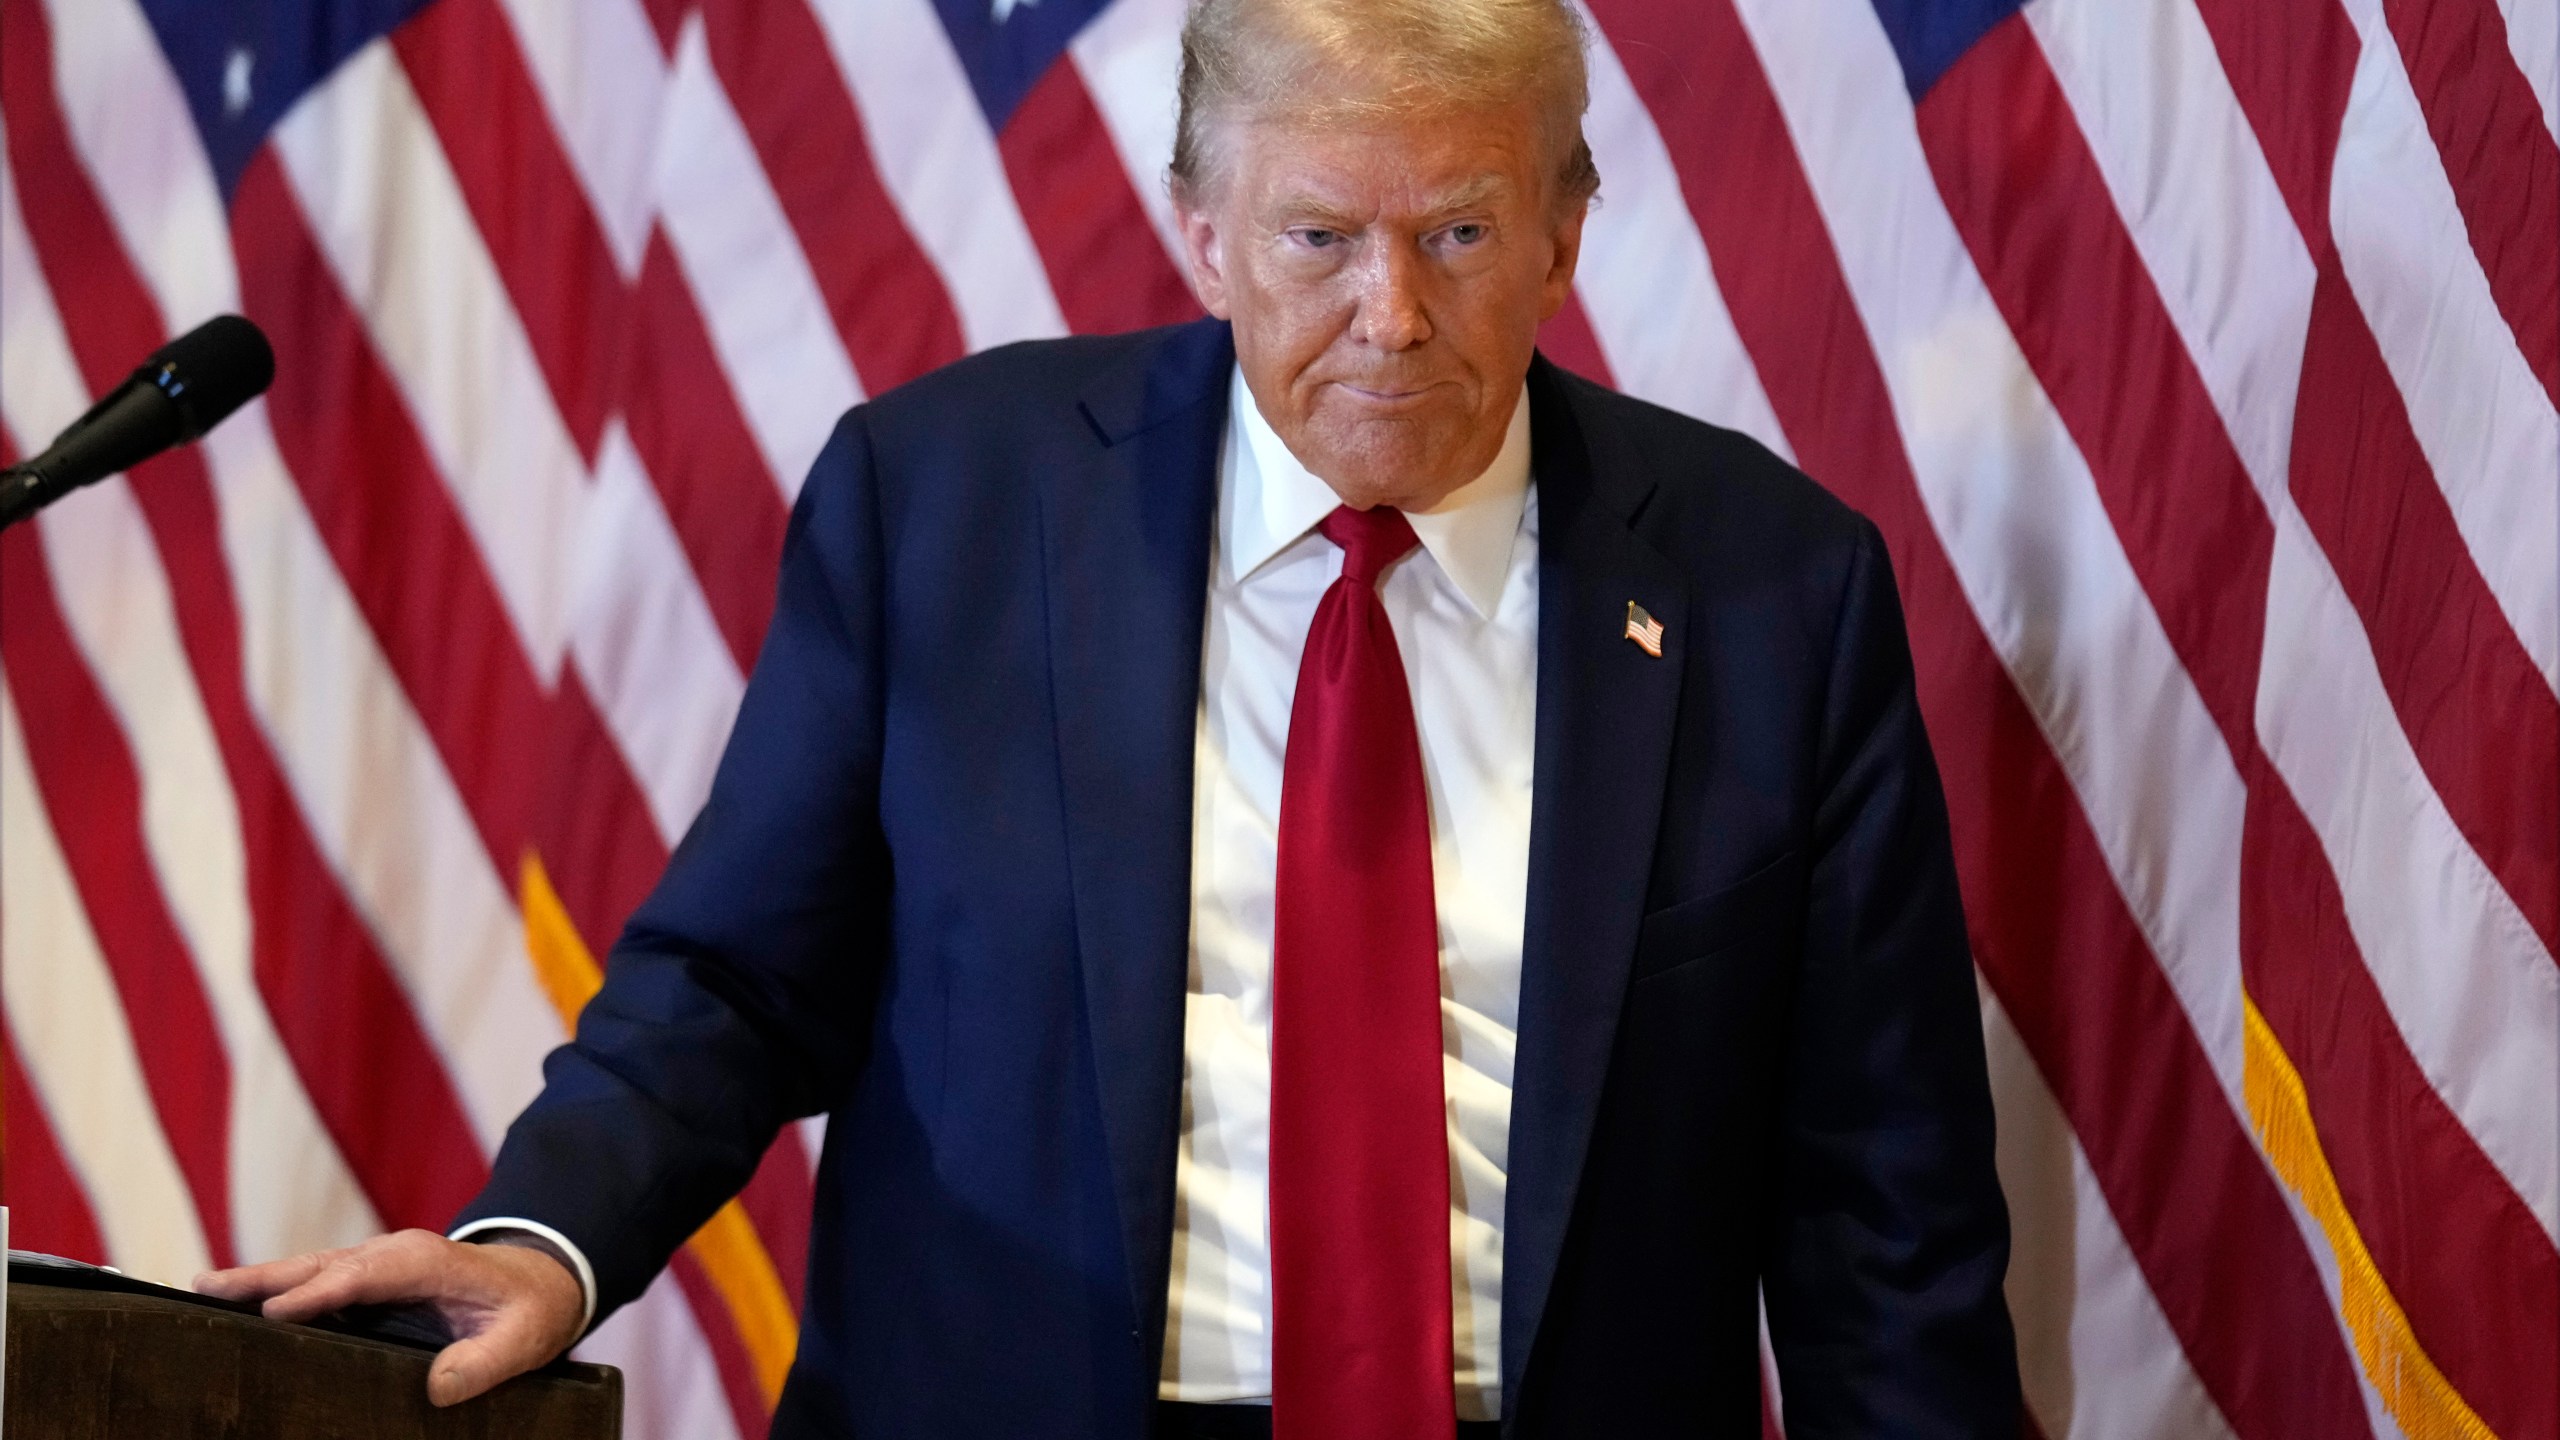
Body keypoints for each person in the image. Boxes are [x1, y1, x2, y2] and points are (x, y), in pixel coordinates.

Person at [200, 0, 2018, 1434]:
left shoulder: (1771, 589)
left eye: (1459, 230)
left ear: (1567, 229)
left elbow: (1885, 1209)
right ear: (1204, 232)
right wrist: (549, 1241)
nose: (1391, 315)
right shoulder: (947, 507)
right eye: (1321, 235)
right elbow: (737, 982)